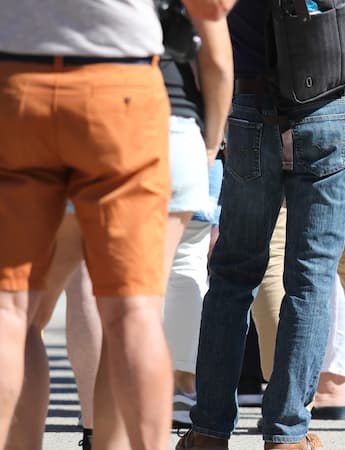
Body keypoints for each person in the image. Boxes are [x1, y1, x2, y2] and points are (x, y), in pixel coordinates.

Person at [175, 0, 345, 447]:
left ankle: (209, 430)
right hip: (329, 106)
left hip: (249, 102)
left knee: (233, 274)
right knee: (311, 278)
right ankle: (287, 433)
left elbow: (205, 18)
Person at [0, 1, 233, 449]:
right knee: (134, 311)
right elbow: (216, 17)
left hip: (17, 81)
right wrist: (211, 144)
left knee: (12, 310)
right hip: (119, 84)